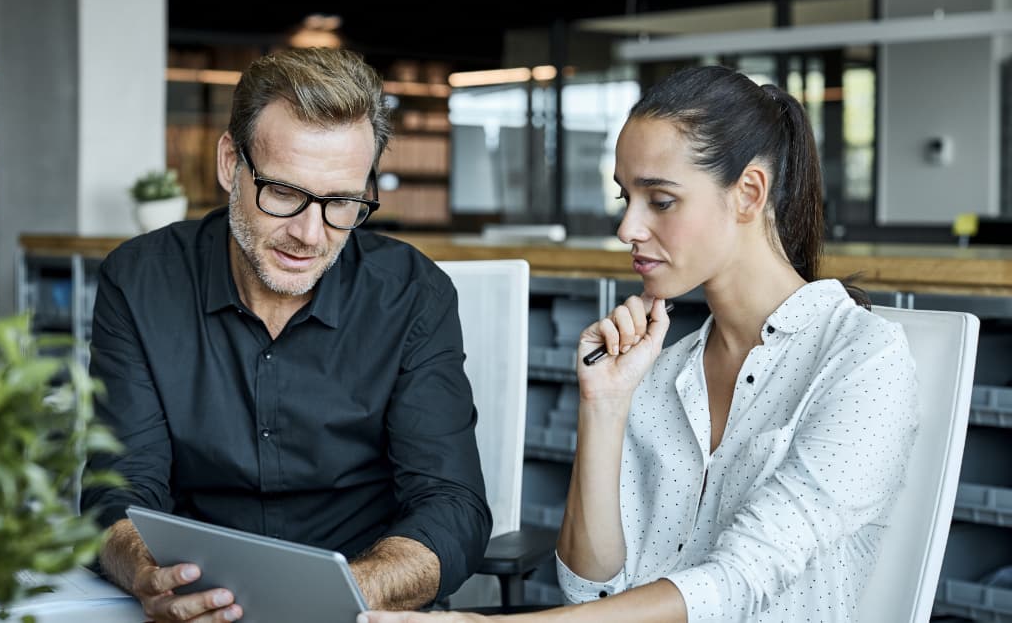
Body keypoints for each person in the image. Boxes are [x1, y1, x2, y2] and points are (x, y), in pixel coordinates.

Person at [362, 65, 917, 623]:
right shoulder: (658, 369)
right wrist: (603, 406)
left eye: (661, 200)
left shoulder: (863, 361)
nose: (627, 227)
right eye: (626, 197)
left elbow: (740, 582)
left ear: (748, 193)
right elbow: (590, 591)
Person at [80, 46, 492, 623]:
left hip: (361, 607)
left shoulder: (412, 295)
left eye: (342, 202)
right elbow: (117, 492)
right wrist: (150, 575)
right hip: (199, 607)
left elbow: (453, 508)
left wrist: (343, 593)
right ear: (230, 163)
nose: (308, 233)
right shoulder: (140, 281)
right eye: (283, 192)